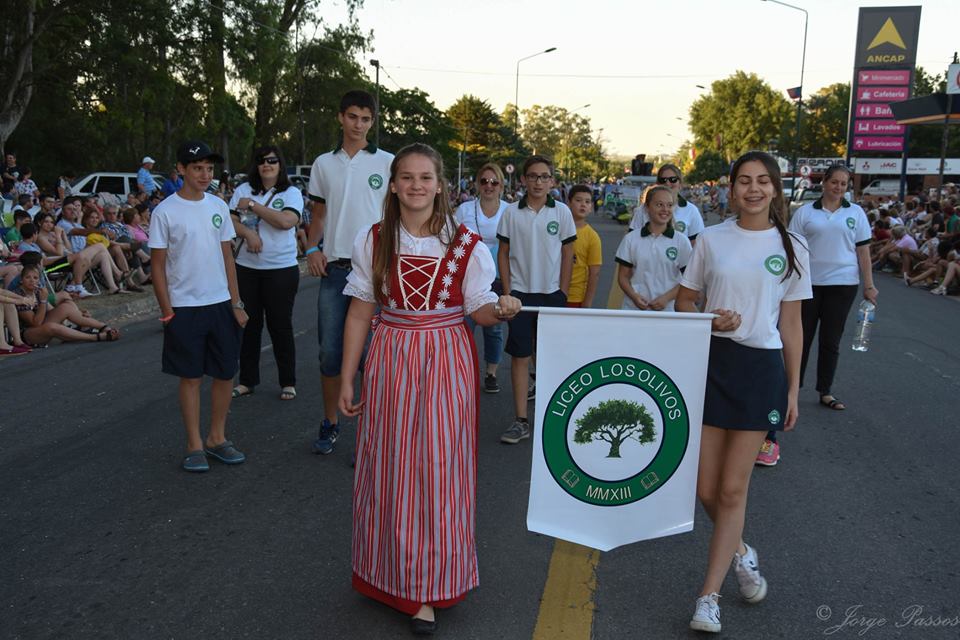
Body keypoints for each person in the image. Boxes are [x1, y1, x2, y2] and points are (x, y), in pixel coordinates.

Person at [337, 143, 520, 635]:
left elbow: (477, 309)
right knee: (390, 466)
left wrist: (498, 309)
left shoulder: (467, 246)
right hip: (391, 355)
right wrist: (347, 376)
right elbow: (360, 311)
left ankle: (428, 586)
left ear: (440, 185)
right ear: (393, 184)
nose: (416, 185)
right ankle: (387, 575)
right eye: (406, 177)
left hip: (445, 357)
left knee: (440, 469)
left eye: (425, 177)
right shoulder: (373, 239)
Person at [676, 151, 811, 634]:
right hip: (712, 365)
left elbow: (792, 325)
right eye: (744, 182)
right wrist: (707, 318)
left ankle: (707, 596)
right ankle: (741, 551)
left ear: (775, 189)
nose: (753, 189)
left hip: (761, 370)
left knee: (733, 489)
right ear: (731, 190)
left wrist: (793, 390)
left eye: (763, 181)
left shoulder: (793, 245)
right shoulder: (711, 239)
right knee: (704, 488)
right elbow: (685, 300)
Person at [764, 165, 876, 466]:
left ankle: (825, 390)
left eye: (844, 184)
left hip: (844, 283)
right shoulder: (806, 213)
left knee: (831, 340)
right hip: (809, 283)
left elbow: (863, 252)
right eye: (835, 182)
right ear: (824, 183)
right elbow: (793, 247)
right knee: (801, 337)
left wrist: (869, 285)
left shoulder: (856, 214)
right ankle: (792, 389)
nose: (839, 187)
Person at [149, 140, 248, 473]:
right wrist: (167, 311)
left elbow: (227, 258)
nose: (205, 174)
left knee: (224, 373)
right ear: (181, 170)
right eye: (197, 168)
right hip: (184, 308)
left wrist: (236, 303)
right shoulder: (165, 211)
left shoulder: (218, 206)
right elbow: (158, 266)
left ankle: (217, 438)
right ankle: (193, 445)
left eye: (209, 168)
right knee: (190, 377)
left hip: (221, 304)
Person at [304, 89, 394, 455]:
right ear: (341, 118)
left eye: (366, 119)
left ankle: (371, 435)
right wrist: (311, 248)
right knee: (329, 353)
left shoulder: (388, 162)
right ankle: (330, 422)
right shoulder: (324, 164)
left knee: (373, 358)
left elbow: (399, 213)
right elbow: (319, 215)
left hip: (377, 271)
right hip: (337, 270)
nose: (359, 124)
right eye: (353, 117)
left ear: (372, 122)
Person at [496, 155, 576, 444]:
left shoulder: (562, 212)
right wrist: (507, 291)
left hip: (551, 295)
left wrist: (562, 292)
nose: (539, 182)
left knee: (550, 357)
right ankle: (521, 420)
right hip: (519, 295)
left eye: (544, 177)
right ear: (523, 180)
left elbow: (568, 254)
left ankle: (550, 418)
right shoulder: (511, 213)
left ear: (552, 181)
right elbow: (503, 254)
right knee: (519, 356)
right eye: (533, 176)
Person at [228, 145, 303, 401]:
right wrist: (248, 233)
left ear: (280, 164)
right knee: (249, 326)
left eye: (272, 160)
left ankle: (288, 381)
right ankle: (247, 381)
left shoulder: (291, 192)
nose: (266, 165)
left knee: (280, 326)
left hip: (280, 270)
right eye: (261, 161)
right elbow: (232, 221)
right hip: (247, 268)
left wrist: (253, 206)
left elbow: (286, 222)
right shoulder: (242, 189)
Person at [453, 162, 508, 392]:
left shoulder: (509, 210)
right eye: (484, 181)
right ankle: (459, 370)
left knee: (493, 327)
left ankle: (491, 373)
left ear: (501, 185)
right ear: (477, 184)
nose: (489, 186)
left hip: (497, 274)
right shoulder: (464, 210)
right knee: (464, 324)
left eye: (494, 182)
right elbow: (451, 238)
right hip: (466, 275)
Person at [616, 185, 692, 311]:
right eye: (659, 204)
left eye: (669, 205)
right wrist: (634, 296)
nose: (665, 209)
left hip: (668, 312)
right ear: (647, 208)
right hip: (634, 310)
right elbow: (623, 277)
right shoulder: (631, 239)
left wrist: (666, 298)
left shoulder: (681, 241)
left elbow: (689, 279)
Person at [15, 263, 120, 345]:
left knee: (65, 307)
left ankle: (104, 327)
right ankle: (95, 337)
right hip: (28, 334)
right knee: (52, 326)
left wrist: (78, 313)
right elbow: (35, 323)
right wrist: (43, 301)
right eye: (27, 277)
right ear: (21, 280)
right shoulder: (19, 294)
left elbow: (52, 312)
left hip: (43, 324)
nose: (31, 281)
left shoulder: (37, 291)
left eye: (35, 278)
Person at [629, 164, 705, 243]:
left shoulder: (691, 210)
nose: (668, 183)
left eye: (673, 179)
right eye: (663, 180)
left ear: (680, 183)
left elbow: (697, 244)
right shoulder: (643, 209)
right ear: (658, 184)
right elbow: (632, 240)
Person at [566, 184, 602, 308]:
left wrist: (587, 302)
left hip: (576, 297)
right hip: (553, 293)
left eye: (587, 202)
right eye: (578, 200)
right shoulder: (558, 230)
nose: (583, 204)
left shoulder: (592, 237)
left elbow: (594, 273)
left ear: (591, 207)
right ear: (569, 203)